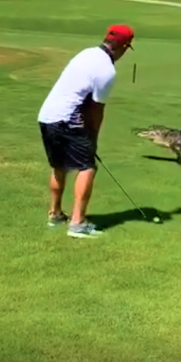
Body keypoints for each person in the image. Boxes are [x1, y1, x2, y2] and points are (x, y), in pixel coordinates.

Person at [37, 24, 135, 238]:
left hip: (46, 116)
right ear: (125, 47)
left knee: (58, 166)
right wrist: (93, 138)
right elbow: (96, 110)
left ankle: (55, 214)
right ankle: (77, 223)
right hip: (68, 118)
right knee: (87, 167)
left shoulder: (86, 53)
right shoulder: (107, 70)